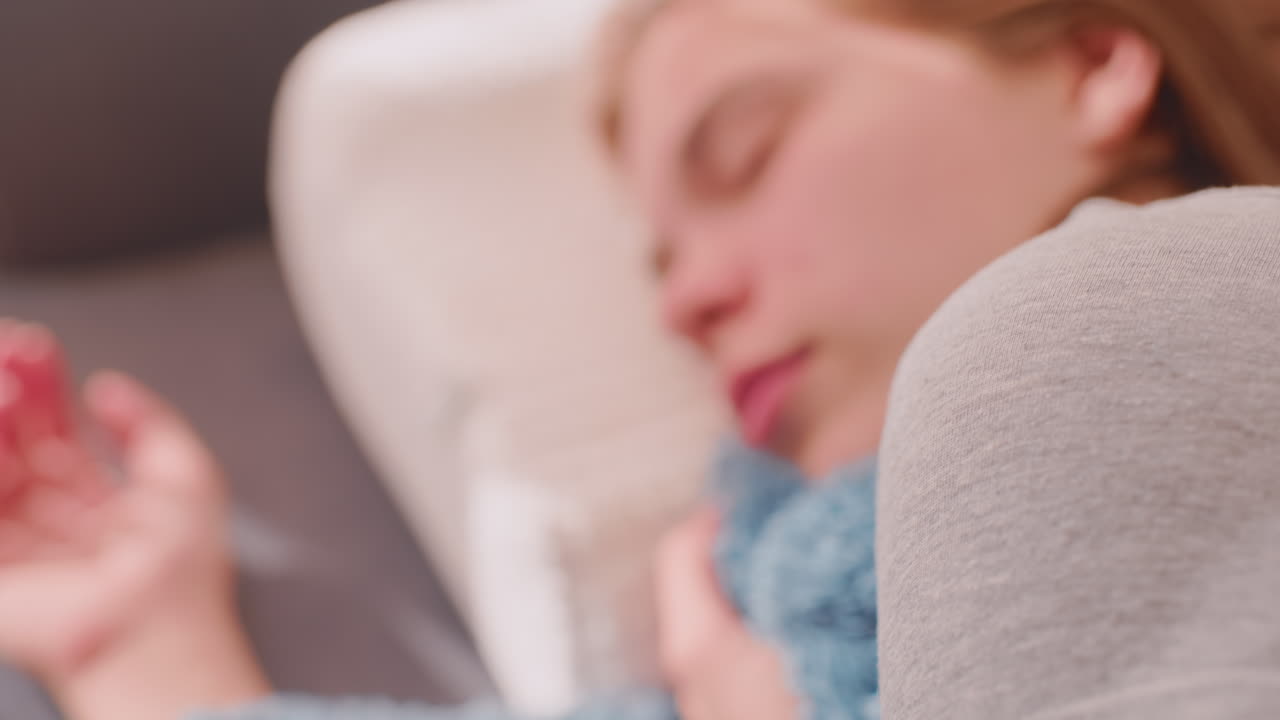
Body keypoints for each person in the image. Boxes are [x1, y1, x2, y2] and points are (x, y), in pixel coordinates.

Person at [0, 0, 1278, 717]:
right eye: (658, 266)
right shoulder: (745, 608)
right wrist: (138, 652)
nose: (690, 303)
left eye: (744, 155)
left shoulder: (1154, 333)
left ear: (1091, 64)